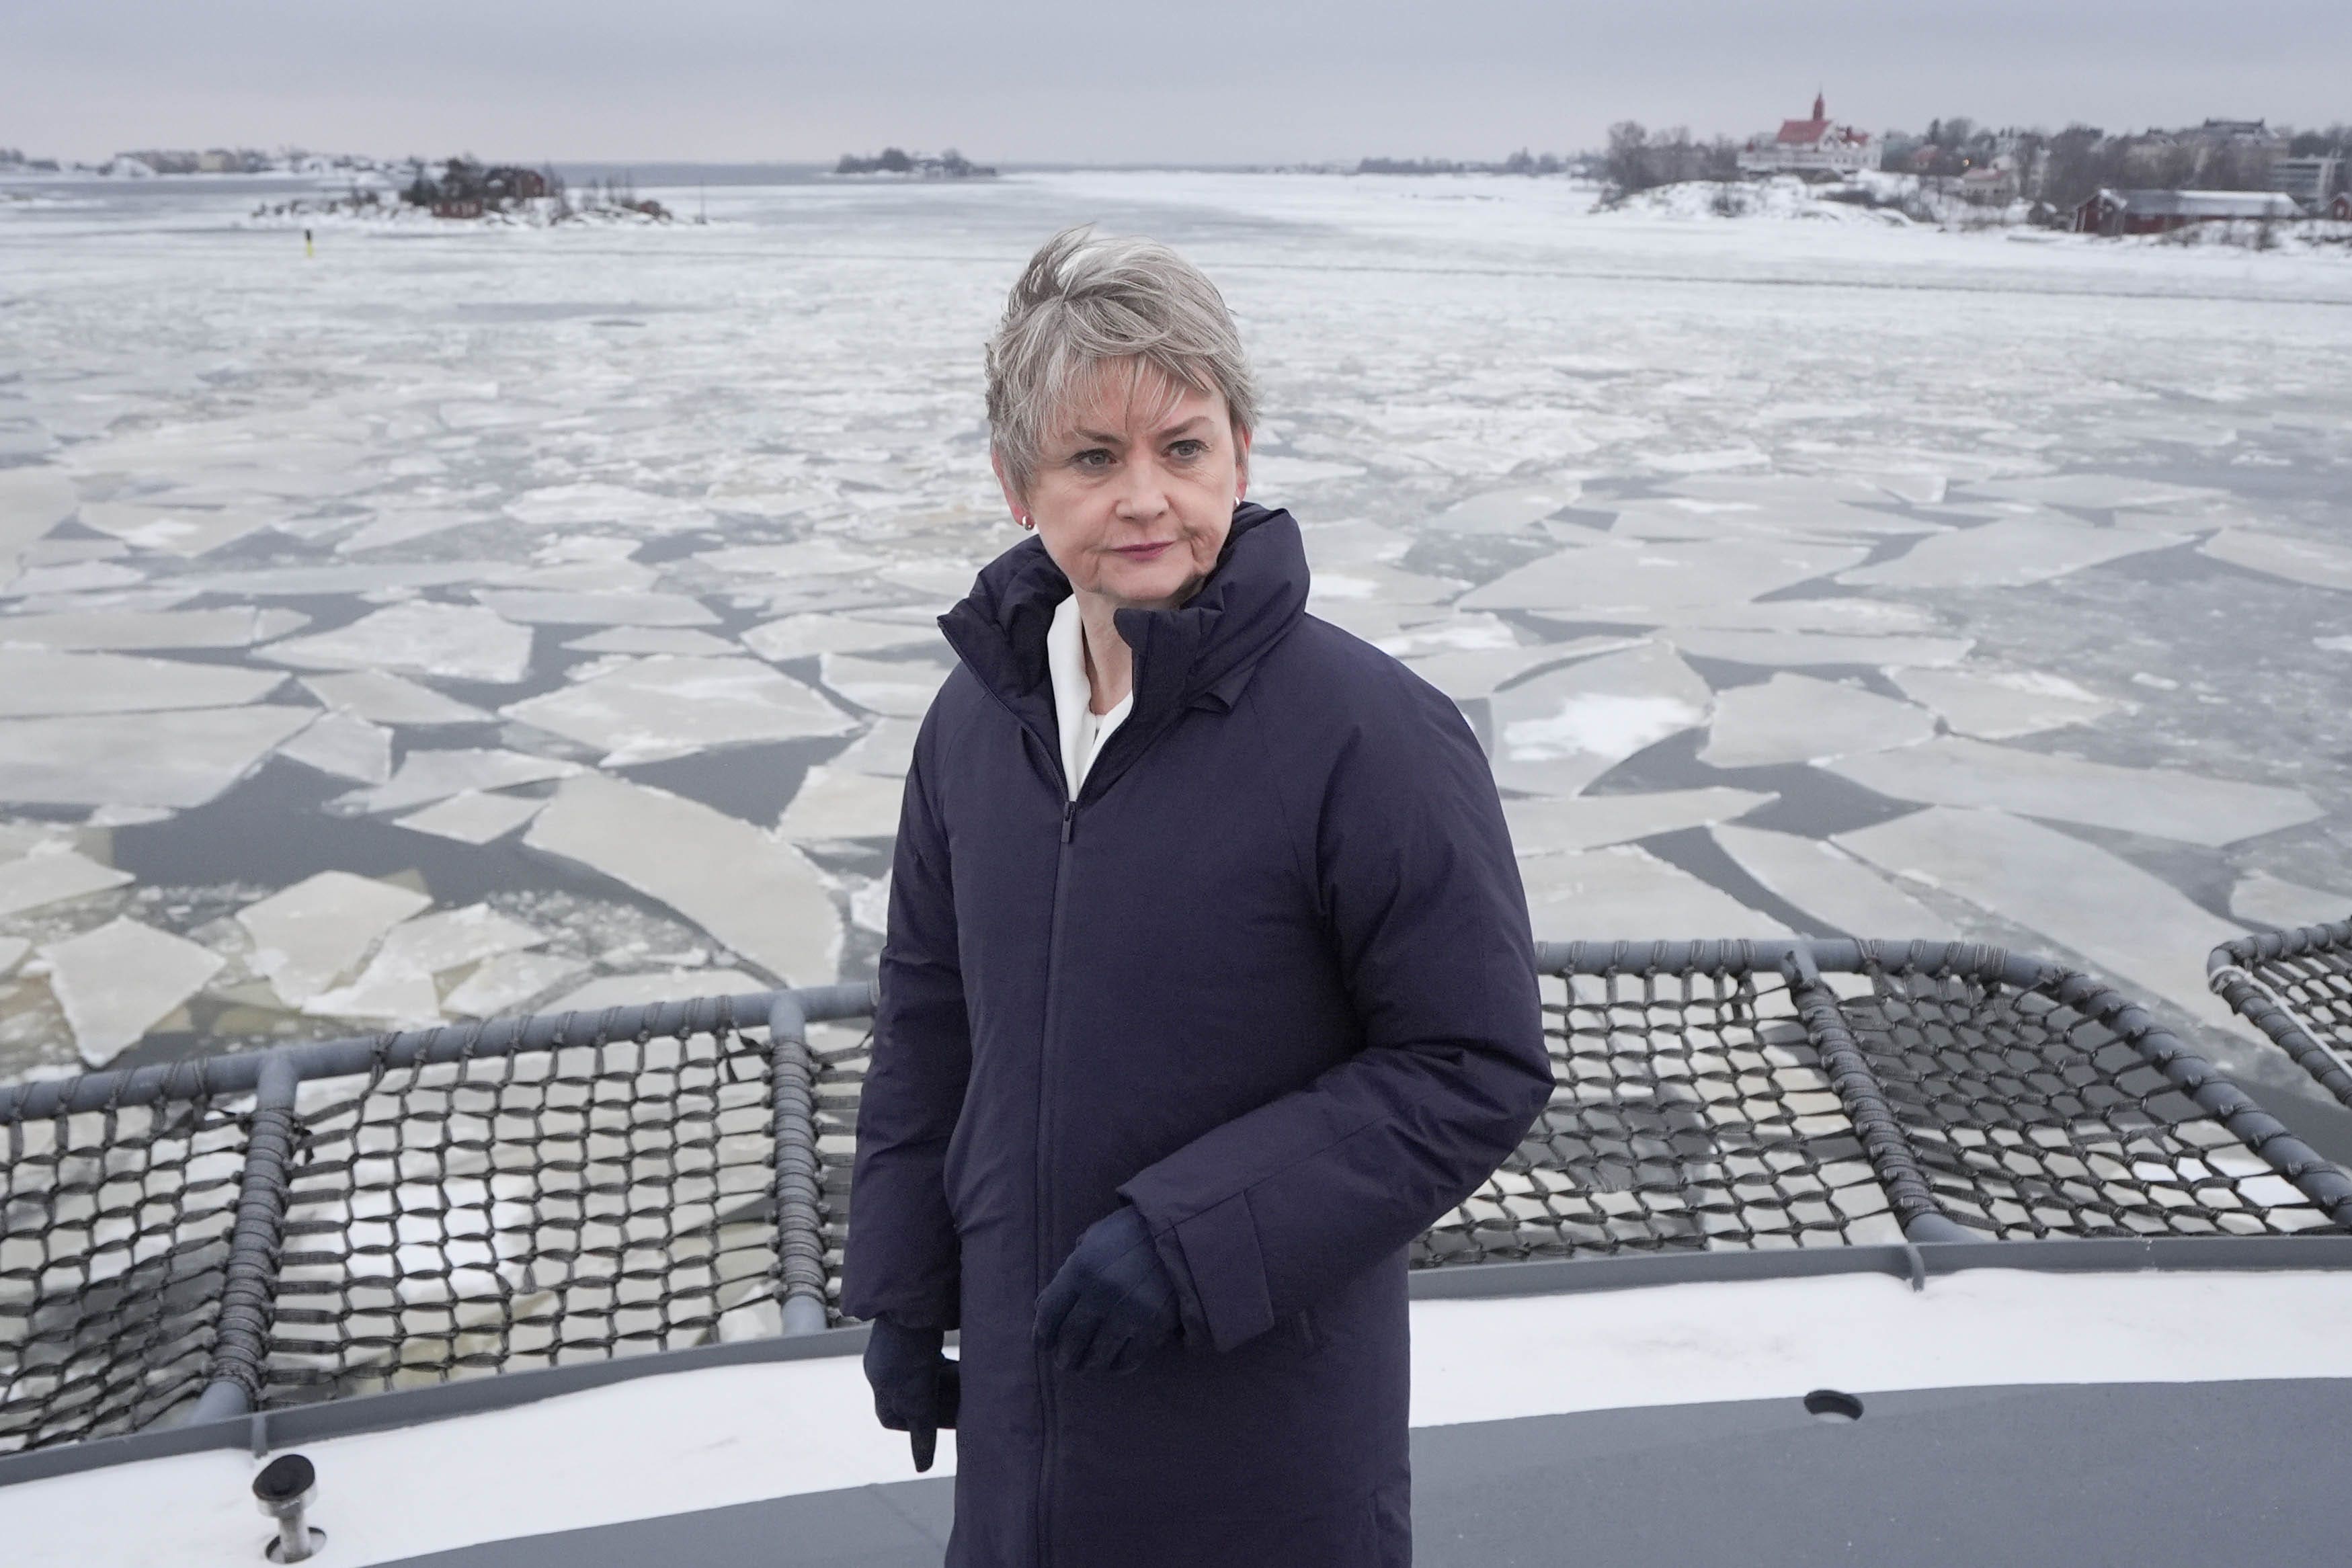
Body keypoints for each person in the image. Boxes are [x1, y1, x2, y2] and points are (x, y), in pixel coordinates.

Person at [842, 225, 1551, 1567]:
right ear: (1016, 485)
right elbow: (930, 1021)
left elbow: (1471, 1062)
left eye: (1183, 447)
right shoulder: (974, 728)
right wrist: (904, 1284)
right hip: (1019, 1408)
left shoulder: (1369, 735)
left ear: (1241, 453)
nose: (1145, 500)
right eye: (1093, 459)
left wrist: (1192, 1240)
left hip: (1259, 1422)